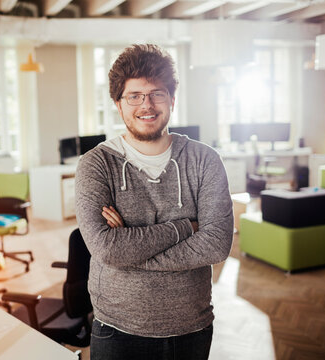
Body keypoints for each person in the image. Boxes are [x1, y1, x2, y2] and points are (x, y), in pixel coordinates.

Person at [75, 44, 233, 360]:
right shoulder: (96, 165)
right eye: (134, 96)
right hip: (116, 328)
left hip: (191, 326)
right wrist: (185, 227)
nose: (146, 105)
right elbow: (106, 249)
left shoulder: (204, 160)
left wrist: (130, 253)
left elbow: (216, 244)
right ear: (118, 104)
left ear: (172, 100)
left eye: (156, 94)